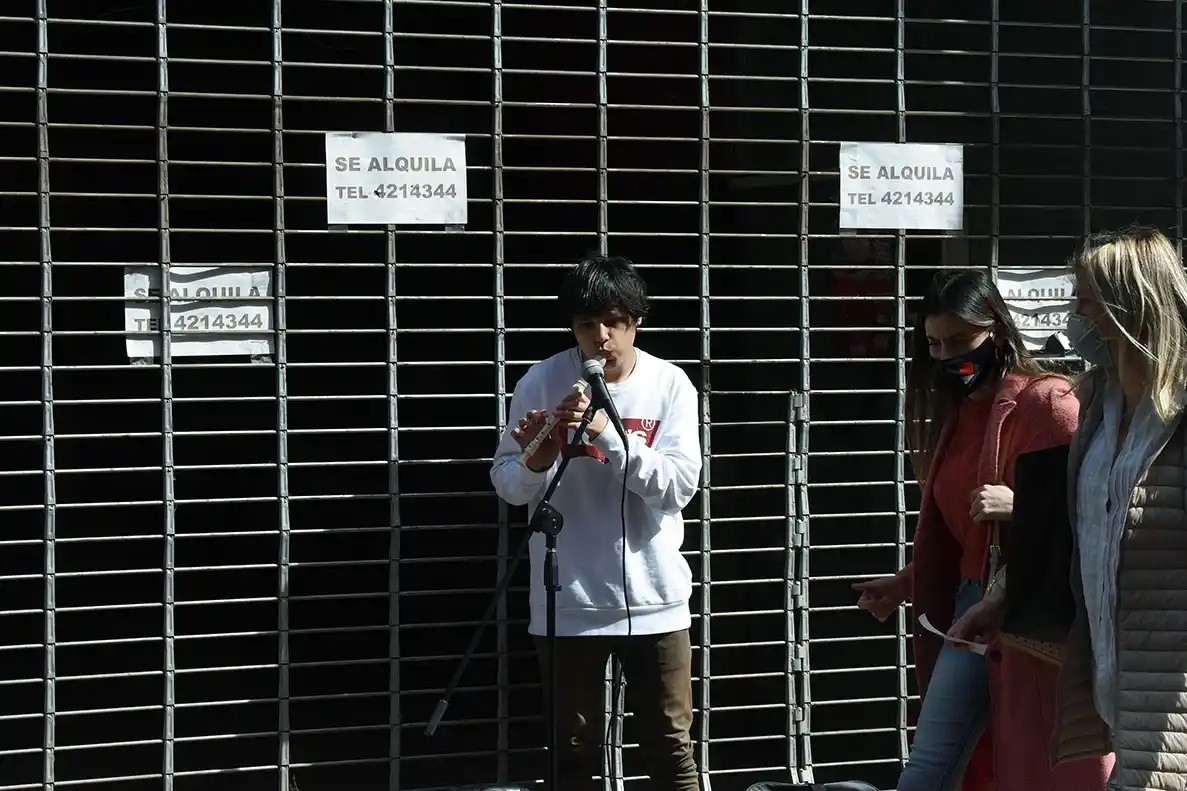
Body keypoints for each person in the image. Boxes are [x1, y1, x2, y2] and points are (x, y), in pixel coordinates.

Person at [851, 269, 1113, 791]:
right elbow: (962, 535)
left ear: (995, 329)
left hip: (1034, 616)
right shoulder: (961, 413)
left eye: (960, 341)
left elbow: (1091, 508)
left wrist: (1021, 506)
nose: (948, 357)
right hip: (972, 610)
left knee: (1044, 768)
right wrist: (908, 582)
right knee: (934, 765)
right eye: (933, 343)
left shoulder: (1047, 404)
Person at [953, 228, 1187, 790]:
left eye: (1085, 297)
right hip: (1114, 671)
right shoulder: (1097, 407)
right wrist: (1008, 594)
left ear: (1128, 304)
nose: (1074, 312)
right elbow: (1077, 527)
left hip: (1170, 681)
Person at [489, 255, 702, 791]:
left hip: (655, 601)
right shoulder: (542, 380)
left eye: (613, 321)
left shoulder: (670, 385)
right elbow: (509, 484)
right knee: (572, 750)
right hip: (570, 603)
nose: (600, 337)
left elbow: (679, 488)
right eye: (586, 325)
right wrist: (539, 457)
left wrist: (609, 437)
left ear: (636, 319)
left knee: (670, 748)